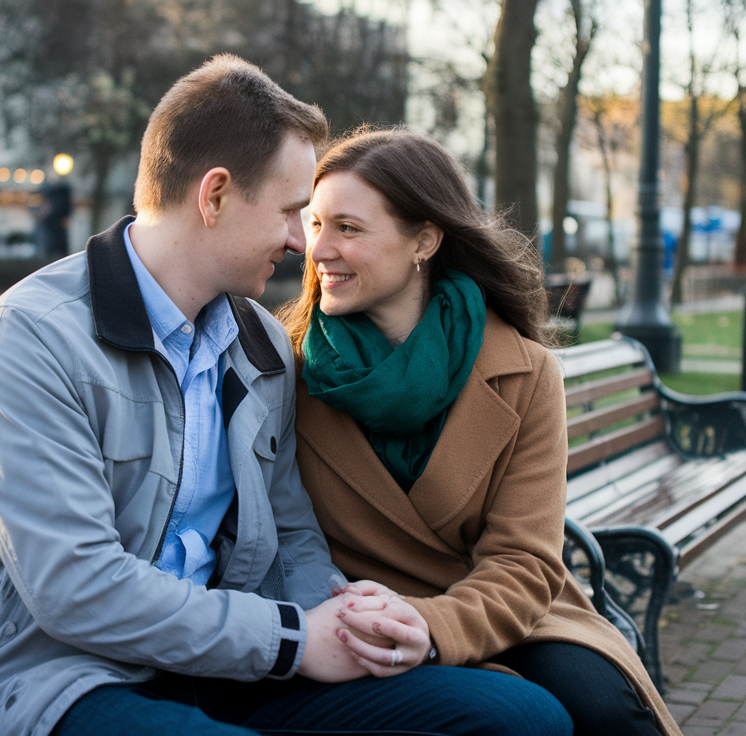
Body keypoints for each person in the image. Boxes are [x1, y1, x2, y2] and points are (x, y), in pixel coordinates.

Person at [0, 57, 573, 736]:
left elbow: (293, 533)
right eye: (293, 213)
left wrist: (340, 622)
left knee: (521, 718)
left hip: (227, 667)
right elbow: (76, 586)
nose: (300, 243)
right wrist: (294, 639)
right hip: (66, 681)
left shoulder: (260, 346)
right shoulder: (35, 336)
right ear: (214, 196)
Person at [279, 127, 683, 736]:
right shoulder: (288, 369)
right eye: (314, 224)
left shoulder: (523, 371)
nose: (318, 250)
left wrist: (435, 627)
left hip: (506, 609)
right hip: (359, 622)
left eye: (348, 228)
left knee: (605, 711)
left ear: (424, 240)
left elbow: (523, 560)